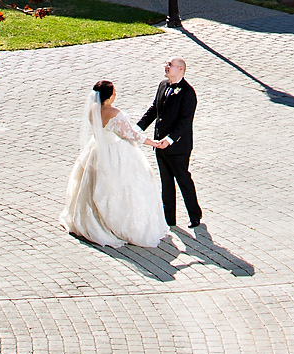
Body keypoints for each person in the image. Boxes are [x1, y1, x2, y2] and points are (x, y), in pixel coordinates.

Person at [60, 78, 169, 249]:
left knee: (94, 185)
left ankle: (94, 219)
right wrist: (153, 142)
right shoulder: (115, 113)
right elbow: (131, 134)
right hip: (116, 153)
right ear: (109, 97)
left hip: (97, 150)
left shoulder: (92, 110)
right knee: (128, 187)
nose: (116, 94)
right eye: (114, 92)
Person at [139, 57, 203, 233]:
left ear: (180, 69)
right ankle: (169, 218)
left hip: (178, 146)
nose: (166, 67)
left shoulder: (187, 93)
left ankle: (194, 215)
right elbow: (154, 109)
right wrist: (139, 127)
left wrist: (169, 139)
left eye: (170, 65)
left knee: (183, 179)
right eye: (166, 64)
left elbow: (185, 121)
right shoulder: (162, 85)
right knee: (166, 182)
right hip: (160, 144)